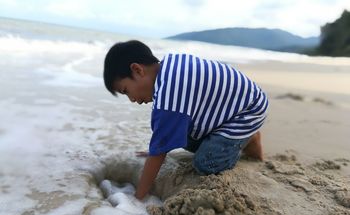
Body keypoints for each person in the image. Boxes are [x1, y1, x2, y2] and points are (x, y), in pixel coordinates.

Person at [103, 40, 268, 200]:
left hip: (247, 111)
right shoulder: (168, 67)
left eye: (126, 91)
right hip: (231, 107)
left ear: (138, 70)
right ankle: (245, 136)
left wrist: (138, 197)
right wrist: (155, 151)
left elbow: (160, 150)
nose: (132, 99)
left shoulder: (169, 95)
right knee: (181, 137)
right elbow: (164, 140)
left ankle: (247, 137)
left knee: (205, 163)